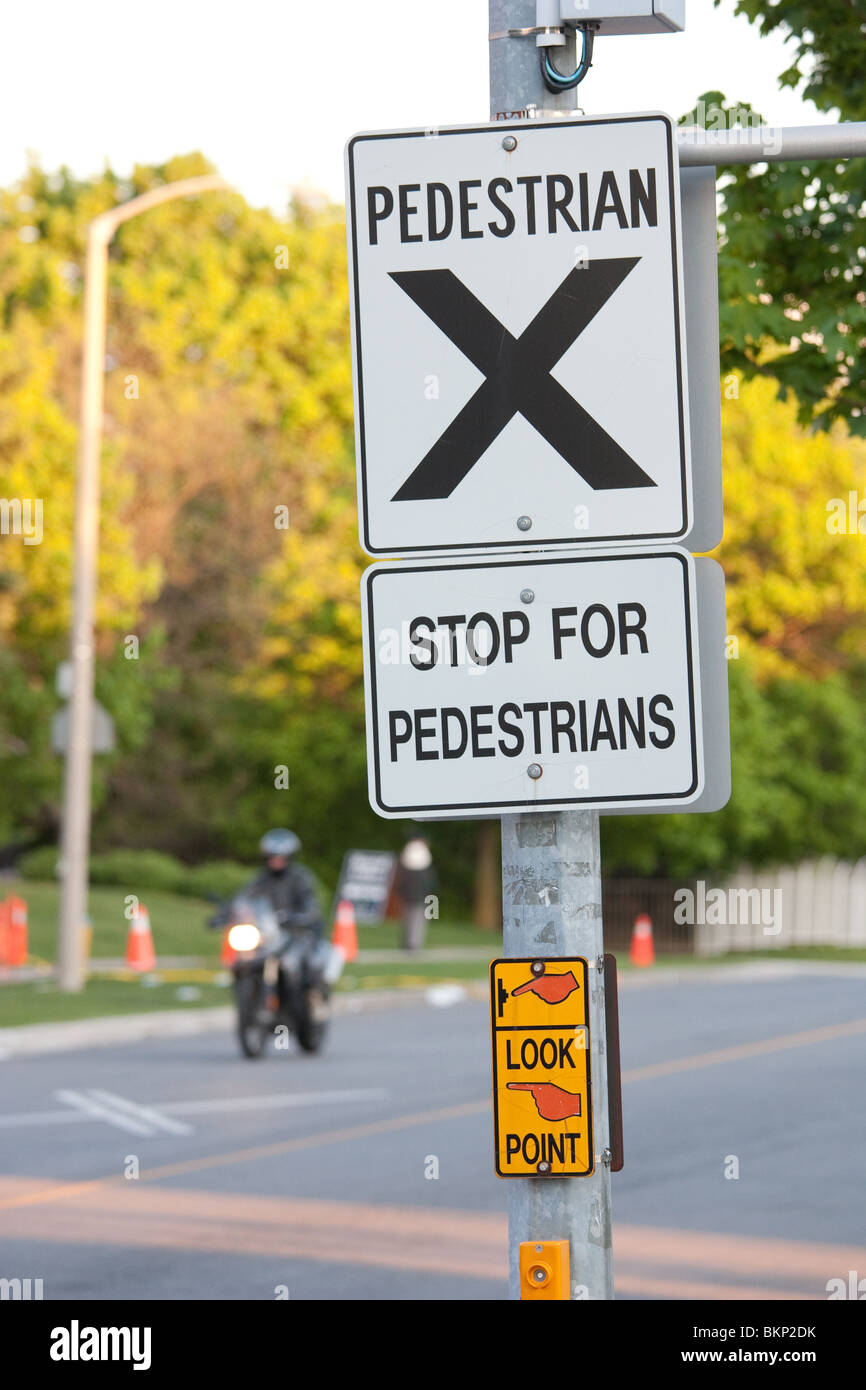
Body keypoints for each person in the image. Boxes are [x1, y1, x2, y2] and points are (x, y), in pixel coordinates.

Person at [246, 828, 324, 937]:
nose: (275, 861)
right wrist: (228, 913)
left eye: (280, 857)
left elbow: (311, 907)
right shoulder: (262, 877)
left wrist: (295, 917)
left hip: (297, 934)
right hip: (266, 934)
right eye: (272, 856)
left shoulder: (300, 877)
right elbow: (245, 898)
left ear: (289, 856)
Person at [394, 833, 437, 952]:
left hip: (409, 894)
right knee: (417, 920)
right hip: (419, 896)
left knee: (408, 918)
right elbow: (428, 881)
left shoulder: (408, 858)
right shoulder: (421, 858)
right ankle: (413, 944)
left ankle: (408, 943)